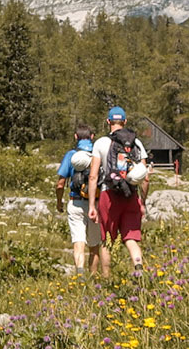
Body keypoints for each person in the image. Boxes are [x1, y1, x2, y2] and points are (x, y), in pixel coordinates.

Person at [87, 106, 149, 277]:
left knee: (107, 239)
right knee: (131, 237)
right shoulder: (136, 143)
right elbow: (145, 176)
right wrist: (142, 202)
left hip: (109, 194)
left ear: (108, 122)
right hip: (131, 194)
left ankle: (106, 279)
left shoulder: (101, 143)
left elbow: (93, 176)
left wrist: (93, 204)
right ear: (125, 121)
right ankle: (139, 269)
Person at [56, 126, 103, 275]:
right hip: (95, 203)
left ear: (75, 137)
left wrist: (59, 202)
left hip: (75, 202)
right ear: (92, 136)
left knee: (79, 241)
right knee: (95, 245)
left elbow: (60, 184)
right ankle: (93, 276)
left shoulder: (71, 155)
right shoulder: (98, 155)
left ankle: (80, 274)